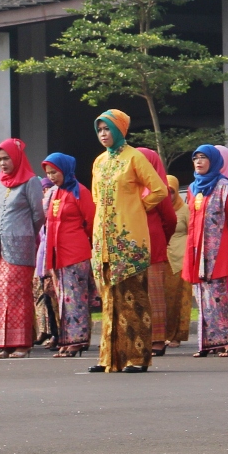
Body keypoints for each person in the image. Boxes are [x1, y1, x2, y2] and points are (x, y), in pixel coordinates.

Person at [89, 109, 167, 373]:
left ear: (120, 130)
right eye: (99, 130)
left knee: (132, 297)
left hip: (129, 239)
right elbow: (96, 197)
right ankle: (108, 357)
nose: (103, 134)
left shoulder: (135, 158)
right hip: (104, 240)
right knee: (109, 298)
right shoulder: (99, 162)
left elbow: (159, 189)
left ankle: (137, 357)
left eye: (108, 129)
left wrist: (137, 207)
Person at [0, 137, 45, 359]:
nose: (2, 163)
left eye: (7, 158)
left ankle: (22, 343)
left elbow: (38, 214)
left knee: (18, 293)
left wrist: (25, 233)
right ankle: (4, 343)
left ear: (17, 157)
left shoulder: (30, 181)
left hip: (20, 245)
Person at [183, 144, 228, 357]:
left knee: (218, 295)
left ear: (214, 161)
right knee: (201, 296)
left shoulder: (225, 187)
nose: (198, 162)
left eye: (203, 158)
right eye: (195, 158)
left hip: (217, 249)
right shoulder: (192, 188)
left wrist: (222, 242)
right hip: (196, 248)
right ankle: (208, 343)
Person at [40, 152, 95, 358]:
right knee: (61, 298)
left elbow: (90, 221)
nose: (52, 177)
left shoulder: (80, 192)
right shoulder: (54, 193)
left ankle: (77, 340)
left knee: (75, 298)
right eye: (49, 173)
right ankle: (66, 338)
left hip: (75, 253)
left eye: (55, 172)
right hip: (57, 254)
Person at [137, 147, 179, 357]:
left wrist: (162, 239)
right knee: (136, 294)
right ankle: (140, 336)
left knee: (154, 293)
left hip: (153, 245)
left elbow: (170, 220)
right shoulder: (129, 187)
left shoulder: (158, 188)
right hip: (131, 246)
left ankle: (157, 339)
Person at [162, 176, 189, 349]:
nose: (168, 195)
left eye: (171, 191)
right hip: (162, 258)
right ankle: (162, 334)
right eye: (165, 191)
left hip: (180, 257)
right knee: (163, 299)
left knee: (178, 299)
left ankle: (177, 335)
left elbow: (192, 231)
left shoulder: (184, 209)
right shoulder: (159, 209)